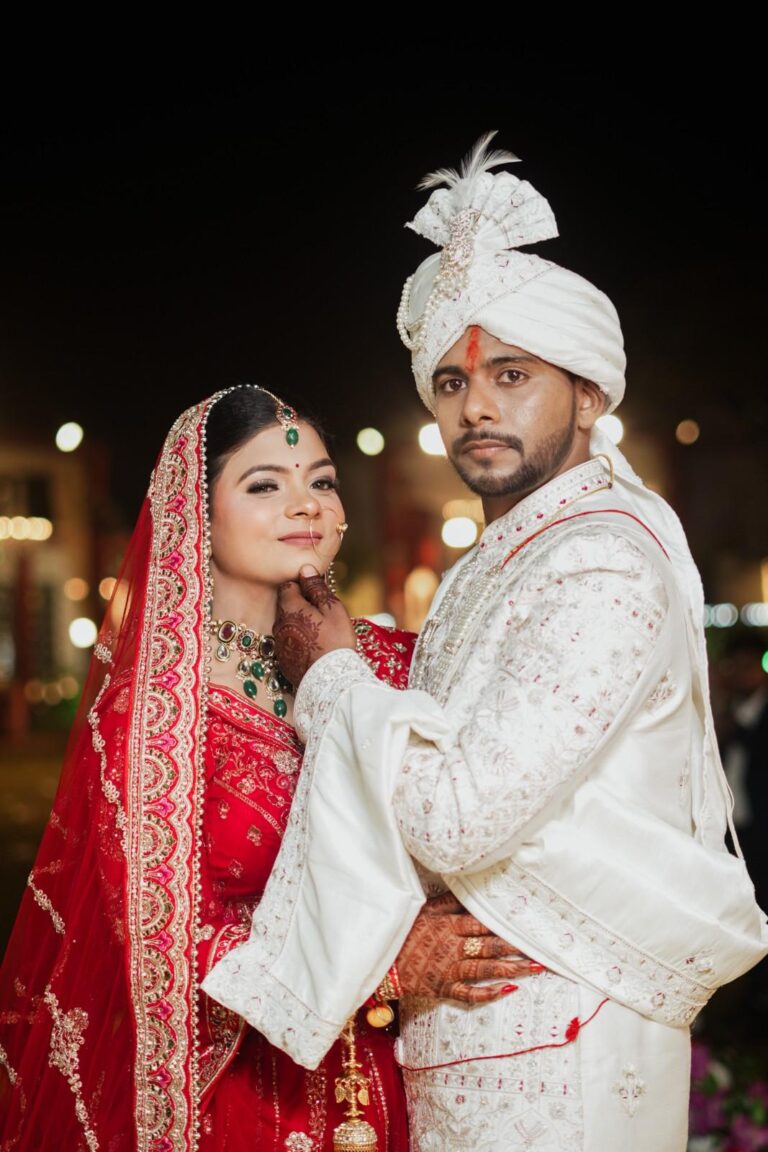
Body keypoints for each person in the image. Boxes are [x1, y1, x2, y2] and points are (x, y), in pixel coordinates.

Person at [202, 140, 768, 1151]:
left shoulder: (600, 559)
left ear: (588, 394)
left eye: (512, 374)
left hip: (562, 1048)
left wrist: (329, 676)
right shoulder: (496, 562)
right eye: (453, 380)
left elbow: (457, 817)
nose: (476, 406)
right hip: (479, 1043)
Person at [0, 384, 525, 1151]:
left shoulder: (393, 667)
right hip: (250, 1102)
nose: (306, 504)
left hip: (406, 1077)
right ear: (196, 515)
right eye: (264, 485)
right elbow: (168, 950)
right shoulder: (152, 716)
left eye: (322, 481)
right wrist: (386, 963)